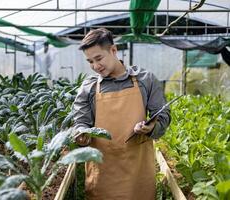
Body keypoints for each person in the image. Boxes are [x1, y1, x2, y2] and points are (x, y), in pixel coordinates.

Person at [72, 28, 171, 200]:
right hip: (102, 174)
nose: (95, 66)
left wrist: (151, 127)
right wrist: (82, 135)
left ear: (113, 50)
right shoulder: (88, 87)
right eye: (90, 62)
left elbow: (163, 117)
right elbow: (81, 122)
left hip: (138, 173)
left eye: (98, 58)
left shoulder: (145, 80)